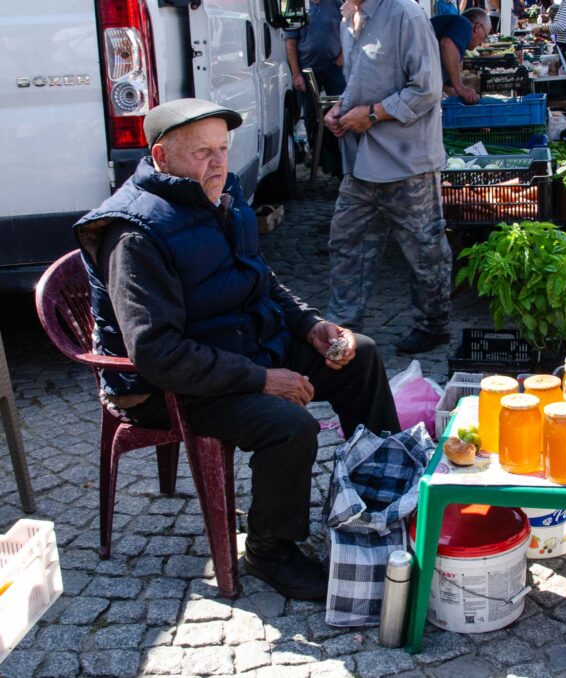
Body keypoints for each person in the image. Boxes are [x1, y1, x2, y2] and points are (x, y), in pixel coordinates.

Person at [72, 99, 401, 600]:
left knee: (363, 355)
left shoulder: (223, 196)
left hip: (238, 346)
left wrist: (310, 324)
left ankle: (382, 490)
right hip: (168, 385)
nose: (219, 163)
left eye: (223, 149)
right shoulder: (134, 232)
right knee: (289, 426)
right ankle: (271, 550)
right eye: (202, 152)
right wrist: (263, 380)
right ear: (160, 156)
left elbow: (260, 278)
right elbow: (158, 353)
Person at [324, 0, 452, 355]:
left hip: (407, 161)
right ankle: (343, 332)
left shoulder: (405, 14)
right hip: (362, 161)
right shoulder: (349, 16)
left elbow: (427, 88)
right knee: (346, 242)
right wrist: (341, 109)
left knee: (425, 251)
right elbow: (360, 82)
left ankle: (433, 326)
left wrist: (374, 115)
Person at [285, 0, 346, 175]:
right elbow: (291, 43)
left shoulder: (335, 3)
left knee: (342, 109)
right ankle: (316, 152)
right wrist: (296, 74)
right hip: (307, 69)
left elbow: (348, 29)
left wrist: (341, 56)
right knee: (311, 115)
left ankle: (341, 157)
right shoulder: (296, 5)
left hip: (334, 67)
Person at [432, 8, 491, 104]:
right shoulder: (464, 23)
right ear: (477, 27)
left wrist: (469, 98)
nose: (482, 43)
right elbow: (447, 44)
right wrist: (460, 87)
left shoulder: (457, 48)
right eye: (485, 36)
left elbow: (449, 88)